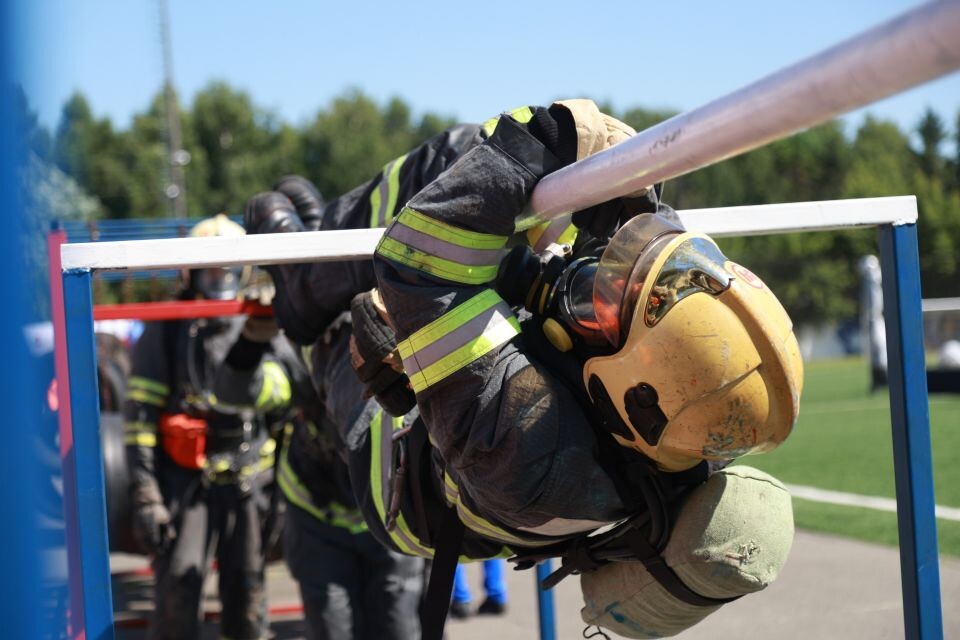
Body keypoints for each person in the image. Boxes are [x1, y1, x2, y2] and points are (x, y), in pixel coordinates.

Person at [244, 99, 803, 639]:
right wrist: (625, 190)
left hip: (391, 455)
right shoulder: (691, 414)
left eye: (603, 304)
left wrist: (539, 141)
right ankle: (311, 247)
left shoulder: (530, 449)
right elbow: (661, 279)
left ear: (626, 395)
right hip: (492, 433)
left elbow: (421, 266)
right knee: (475, 178)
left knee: (376, 302)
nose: (596, 286)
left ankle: (299, 286)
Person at [123, 214, 302, 640]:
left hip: (250, 479)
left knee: (247, 594)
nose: (220, 274)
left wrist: (284, 490)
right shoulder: (168, 326)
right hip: (185, 483)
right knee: (179, 591)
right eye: (211, 265)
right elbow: (138, 419)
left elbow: (291, 410)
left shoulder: (262, 322)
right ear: (190, 269)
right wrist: (147, 493)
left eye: (228, 265)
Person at [269, 177, 425, 640]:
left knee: (399, 627)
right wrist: (248, 344)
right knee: (334, 628)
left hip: (388, 506)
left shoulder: (388, 311)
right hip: (317, 511)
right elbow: (249, 392)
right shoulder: (291, 334)